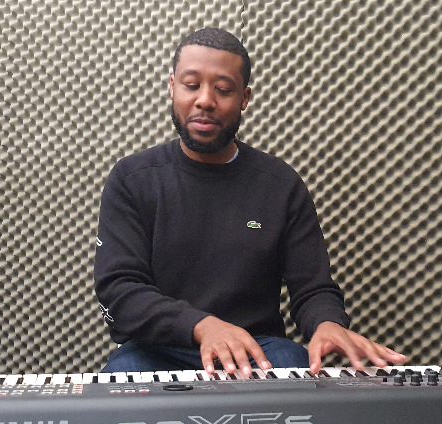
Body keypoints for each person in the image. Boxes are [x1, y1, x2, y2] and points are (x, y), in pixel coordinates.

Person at [94, 27, 406, 378]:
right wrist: (201, 325)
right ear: (172, 87)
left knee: (294, 363)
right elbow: (120, 291)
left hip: (256, 350)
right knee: (122, 377)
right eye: (191, 85)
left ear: (245, 98)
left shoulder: (280, 185)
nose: (205, 100)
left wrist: (327, 323)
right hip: (158, 351)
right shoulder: (132, 179)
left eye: (223, 89)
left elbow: (312, 287)